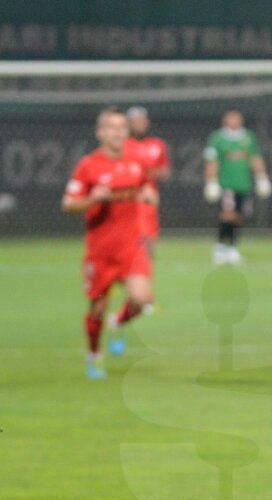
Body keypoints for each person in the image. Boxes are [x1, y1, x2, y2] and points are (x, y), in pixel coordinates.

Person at [63, 107, 158, 379]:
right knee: (97, 309)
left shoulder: (136, 162)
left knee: (141, 300)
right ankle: (94, 354)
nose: (117, 132)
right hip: (100, 251)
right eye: (112, 127)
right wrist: (93, 199)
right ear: (100, 132)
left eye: (122, 128)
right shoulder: (88, 165)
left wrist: (149, 195)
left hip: (131, 246)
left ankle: (118, 322)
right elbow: (68, 204)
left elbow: (147, 186)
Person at [108, 105, 169, 356]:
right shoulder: (122, 148)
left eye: (142, 119)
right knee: (137, 286)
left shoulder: (156, 145)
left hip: (148, 216)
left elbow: (161, 173)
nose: (139, 123)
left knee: (142, 291)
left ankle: (119, 320)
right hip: (125, 220)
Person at [204, 110, 272, 266]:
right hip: (226, 184)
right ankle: (221, 247)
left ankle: (232, 248)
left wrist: (262, 177)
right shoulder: (218, 138)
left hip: (243, 184)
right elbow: (212, 161)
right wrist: (211, 181)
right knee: (227, 215)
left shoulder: (248, 137)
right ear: (225, 120)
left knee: (238, 217)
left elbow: (255, 158)